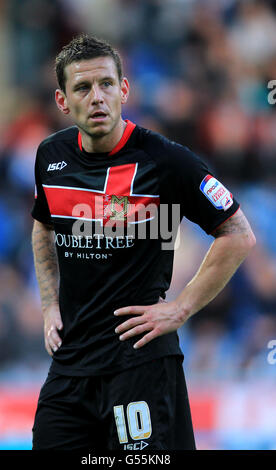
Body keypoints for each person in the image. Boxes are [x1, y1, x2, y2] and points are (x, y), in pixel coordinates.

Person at [31, 34, 256, 450]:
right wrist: (49, 305)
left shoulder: (166, 160)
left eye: (106, 84)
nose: (97, 97)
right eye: (82, 87)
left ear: (124, 90)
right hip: (71, 366)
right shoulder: (50, 157)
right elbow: (43, 225)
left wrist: (181, 307)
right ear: (63, 101)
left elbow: (237, 234)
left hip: (140, 363)